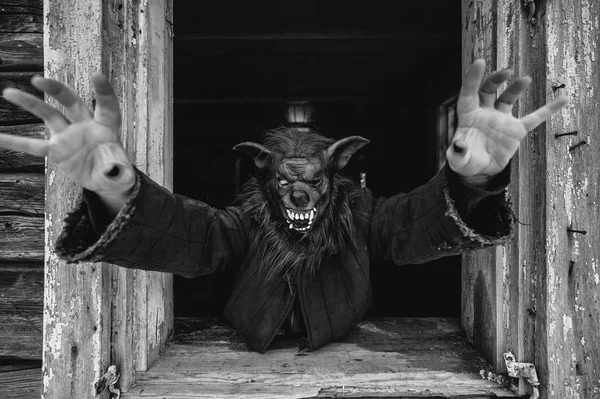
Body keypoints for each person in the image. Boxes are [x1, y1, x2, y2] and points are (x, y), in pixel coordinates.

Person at [0, 59, 567, 353]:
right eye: (287, 184)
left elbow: (412, 223)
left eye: (314, 183)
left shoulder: (361, 211)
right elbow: (193, 235)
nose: (300, 195)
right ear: (264, 179)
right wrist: (117, 189)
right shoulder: (247, 217)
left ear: (337, 171)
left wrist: (474, 182)